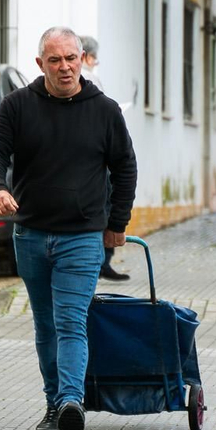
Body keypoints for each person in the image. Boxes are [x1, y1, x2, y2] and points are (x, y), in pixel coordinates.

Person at [0, 26, 137, 430]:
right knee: (45, 324)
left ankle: (71, 402)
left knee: (70, 321)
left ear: (82, 59)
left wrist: (117, 223)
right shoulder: (17, 106)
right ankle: (55, 405)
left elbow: (125, 167)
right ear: (41, 64)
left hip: (82, 238)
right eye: (55, 60)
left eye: (71, 58)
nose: (65, 67)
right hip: (31, 235)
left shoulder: (105, 111)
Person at [79, 34, 129, 282]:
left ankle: (99, 262)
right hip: (97, 156)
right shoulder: (89, 78)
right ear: (86, 56)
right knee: (106, 202)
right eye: (94, 58)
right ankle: (101, 261)